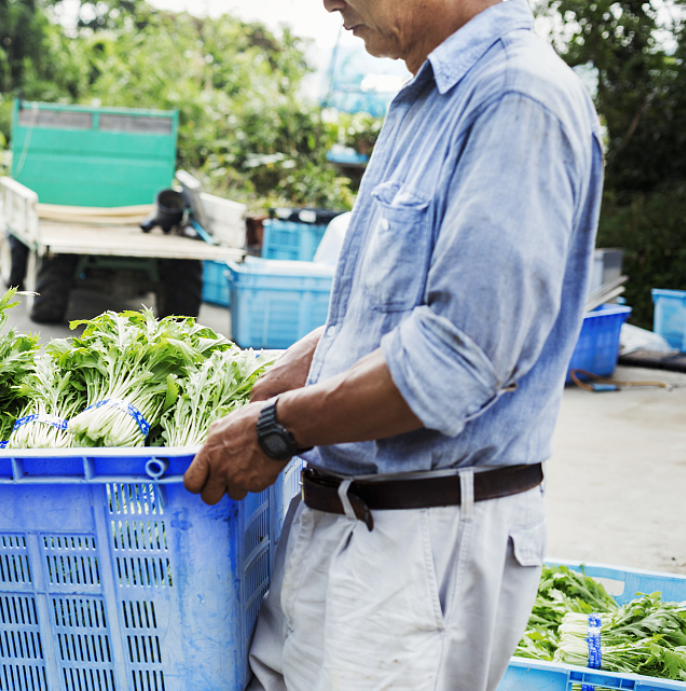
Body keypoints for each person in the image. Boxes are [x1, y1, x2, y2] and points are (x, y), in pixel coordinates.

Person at [183, 0, 603, 687]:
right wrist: (310, 359)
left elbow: (456, 358)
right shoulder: (425, 97)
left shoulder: (515, 97)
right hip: (340, 524)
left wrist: (274, 430)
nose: (326, 2)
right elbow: (405, 306)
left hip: (418, 546)